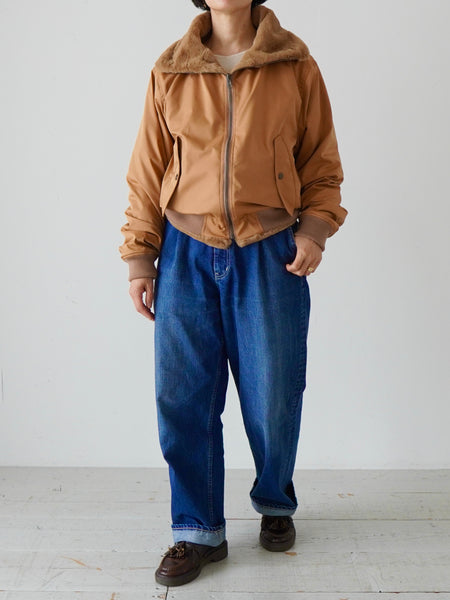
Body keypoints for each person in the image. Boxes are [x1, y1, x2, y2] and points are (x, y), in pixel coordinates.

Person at [119, 0, 347, 587]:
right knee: (184, 395)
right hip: (185, 250)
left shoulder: (295, 64)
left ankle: (274, 501)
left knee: (273, 392)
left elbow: (321, 160)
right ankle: (198, 530)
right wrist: (141, 254)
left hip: (271, 249)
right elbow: (147, 169)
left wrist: (314, 230)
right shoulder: (170, 69)